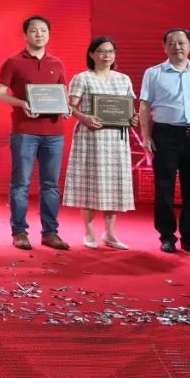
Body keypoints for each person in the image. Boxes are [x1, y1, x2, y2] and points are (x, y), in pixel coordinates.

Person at [139, 28, 190, 255]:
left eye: (182, 43)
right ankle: (167, 236)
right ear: (164, 47)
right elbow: (144, 105)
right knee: (164, 188)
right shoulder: (153, 73)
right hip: (166, 135)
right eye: (172, 43)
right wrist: (146, 136)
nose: (177, 47)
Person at [0, 15, 69, 251]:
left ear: (49, 34)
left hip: (54, 132)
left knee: (51, 185)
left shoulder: (57, 63)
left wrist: (66, 107)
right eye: (34, 30)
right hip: (25, 131)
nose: (39, 34)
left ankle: (50, 232)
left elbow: (62, 94)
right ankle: (19, 232)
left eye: (43, 30)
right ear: (25, 34)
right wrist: (21, 103)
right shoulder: (13, 62)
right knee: (21, 183)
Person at [63, 37, 138, 250]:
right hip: (91, 137)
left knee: (114, 183)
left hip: (116, 140)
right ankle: (89, 232)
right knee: (89, 183)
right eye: (102, 51)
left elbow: (129, 108)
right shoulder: (82, 78)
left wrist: (133, 118)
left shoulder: (123, 79)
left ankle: (110, 234)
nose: (107, 56)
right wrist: (84, 117)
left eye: (111, 51)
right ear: (92, 54)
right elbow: (70, 107)